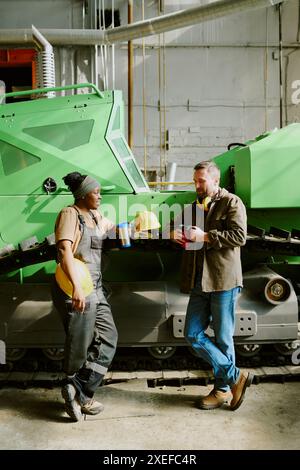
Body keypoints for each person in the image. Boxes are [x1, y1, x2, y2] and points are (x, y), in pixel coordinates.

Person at [173, 160, 252, 411]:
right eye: (195, 181)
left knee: (223, 338)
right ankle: (235, 376)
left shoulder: (232, 203)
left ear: (215, 180)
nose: (196, 185)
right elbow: (173, 227)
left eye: (201, 181)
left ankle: (222, 391)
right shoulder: (194, 206)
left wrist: (204, 236)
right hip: (199, 281)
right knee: (192, 334)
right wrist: (172, 232)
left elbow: (239, 236)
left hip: (223, 280)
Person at [52, 172, 118, 421]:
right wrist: (77, 288)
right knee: (79, 344)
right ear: (82, 194)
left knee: (109, 338)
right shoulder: (70, 214)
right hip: (74, 287)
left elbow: (113, 227)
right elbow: (65, 251)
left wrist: (138, 226)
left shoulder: (94, 215)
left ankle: (78, 389)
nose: (100, 196)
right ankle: (81, 395)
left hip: (96, 287)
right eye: (96, 192)